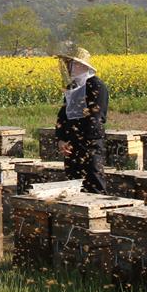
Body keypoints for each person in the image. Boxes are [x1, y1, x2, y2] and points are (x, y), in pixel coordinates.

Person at [54, 48, 109, 194]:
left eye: (70, 63)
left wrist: (81, 141)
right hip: (71, 145)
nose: (67, 67)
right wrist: (61, 139)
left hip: (89, 144)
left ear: (81, 65)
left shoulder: (96, 85)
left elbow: (96, 118)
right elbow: (63, 116)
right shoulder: (71, 87)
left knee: (94, 182)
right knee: (73, 185)